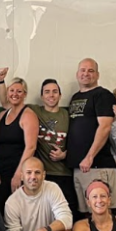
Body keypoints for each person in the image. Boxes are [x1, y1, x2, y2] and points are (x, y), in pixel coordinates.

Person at [67, 57, 116, 212]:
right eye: (83, 70)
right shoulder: (75, 98)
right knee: (84, 215)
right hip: (78, 167)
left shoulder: (103, 95)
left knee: (101, 214)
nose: (86, 74)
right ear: (77, 74)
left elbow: (104, 127)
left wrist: (90, 157)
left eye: (91, 70)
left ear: (97, 75)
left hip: (97, 166)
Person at [0, 75, 39, 207]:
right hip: (2, 172)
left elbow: (31, 147)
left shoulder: (28, 115)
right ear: (7, 92)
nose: (15, 94)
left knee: (18, 212)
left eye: (19, 91)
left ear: (25, 94)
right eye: (12, 90)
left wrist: (19, 174)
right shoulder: (2, 115)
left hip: (18, 172)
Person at [33, 78, 75, 215]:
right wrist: (0, 81)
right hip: (42, 175)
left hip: (64, 174)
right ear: (42, 96)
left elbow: (80, 142)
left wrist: (65, 154)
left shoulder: (68, 115)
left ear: (60, 95)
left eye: (55, 92)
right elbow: (7, 103)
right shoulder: (34, 111)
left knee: (66, 214)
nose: (51, 95)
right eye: (47, 92)